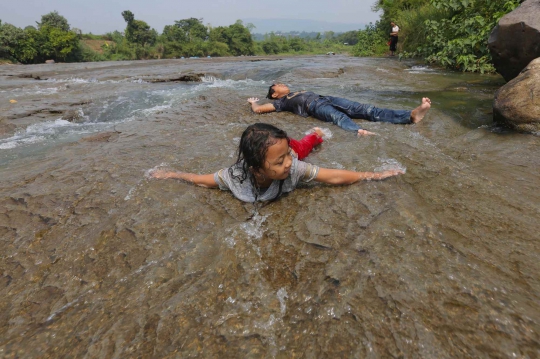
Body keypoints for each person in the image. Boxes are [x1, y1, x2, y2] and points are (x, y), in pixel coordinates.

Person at [151, 123, 403, 203]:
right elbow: (200, 180)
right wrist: (172, 174)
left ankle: (316, 134)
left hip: (292, 146)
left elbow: (334, 176)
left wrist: (375, 175)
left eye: (286, 158)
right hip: (271, 152)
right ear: (255, 169)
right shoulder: (234, 176)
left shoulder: (293, 166)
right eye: (280, 161)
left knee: (305, 147)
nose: (288, 163)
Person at [247, 83, 431, 136]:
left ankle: (411, 116)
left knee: (367, 109)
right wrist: (253, 102)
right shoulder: (281, 102)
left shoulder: (293, 92)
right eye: (277, 85)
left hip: (326, 98)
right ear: (274, 95)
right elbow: (259, 111)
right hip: (314, 106)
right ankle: (359, 131)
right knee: (339, 118)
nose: (281, 84)